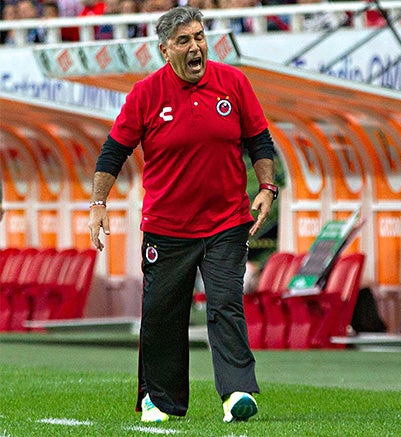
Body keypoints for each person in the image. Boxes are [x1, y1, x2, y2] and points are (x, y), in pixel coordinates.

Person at [88, 6, 279, 422]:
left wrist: (267, 188)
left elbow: (260, 140)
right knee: (162, 313)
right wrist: (98, 205)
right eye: (184, 41)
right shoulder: (146, 94)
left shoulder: (234, 83)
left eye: (199, 36)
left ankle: (237, 393)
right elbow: (113, 151)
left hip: (227, 221)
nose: (196, 47)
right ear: (164, 50)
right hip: (167, 227)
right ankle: (159, 400)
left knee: (226, 302)